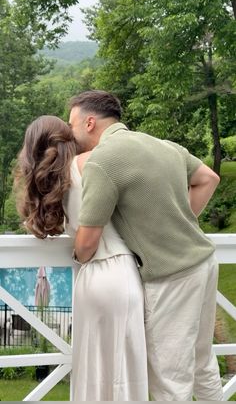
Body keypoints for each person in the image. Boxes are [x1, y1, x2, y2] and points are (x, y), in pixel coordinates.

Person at [68, 90, 224, 401]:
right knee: (203, 363)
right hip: (204, 262)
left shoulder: (103, 160)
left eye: (70, 124)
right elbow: (209, 178)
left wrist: (77, 254)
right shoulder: (160, 145)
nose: (68, 132)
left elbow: (87, 241)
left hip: (172, 277)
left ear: (89, 123)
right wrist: (177, 220)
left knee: (170, 380)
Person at [14, 115, 148, 401]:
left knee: (92, 371)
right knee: (123, 370)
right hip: (117, 271)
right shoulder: (90, 163)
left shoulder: (56, 179)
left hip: (89, 280)